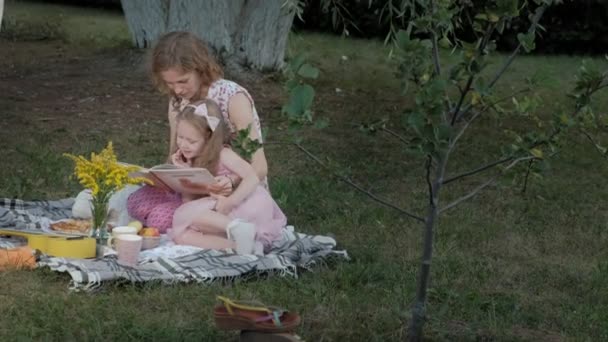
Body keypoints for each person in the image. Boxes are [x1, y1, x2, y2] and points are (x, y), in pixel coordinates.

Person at [127, 31, 269, 232]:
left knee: (162, 218)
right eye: (170, 83)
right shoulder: (177, 101)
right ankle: (176, 217)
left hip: (234, 194)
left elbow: (259, 167)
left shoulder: (232, 99)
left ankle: (209, 227)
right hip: (192, 190)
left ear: (200, 69)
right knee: (138, 201)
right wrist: (163, 174)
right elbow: (175, 153)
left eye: (183, 81)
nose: (177, 90)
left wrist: (229, 181)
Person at [169, 100, 286, 254]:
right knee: (181, 234)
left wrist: (231, 202)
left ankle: (240, 229)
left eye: (191, 141)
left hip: (245, 203)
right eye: (180, 137)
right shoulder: (191, 159)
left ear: (209, 138)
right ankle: (245, 247)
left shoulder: (223, 154)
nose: (183, 145)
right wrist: (185, 172)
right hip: (222, 215)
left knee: (182, 215)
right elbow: (188, 202)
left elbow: (252, 177)